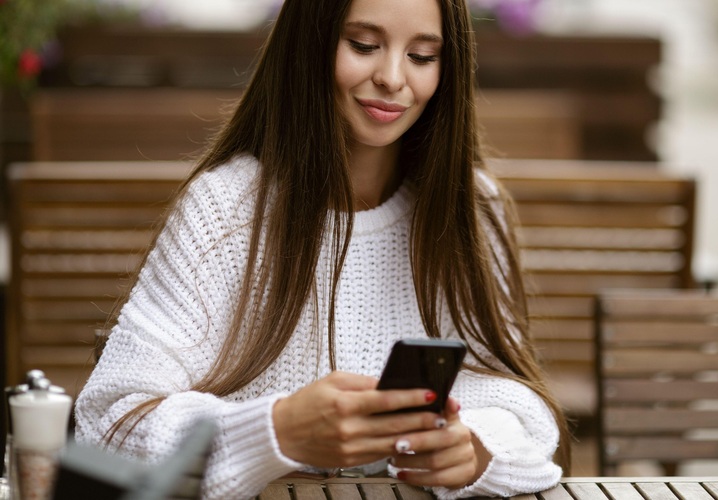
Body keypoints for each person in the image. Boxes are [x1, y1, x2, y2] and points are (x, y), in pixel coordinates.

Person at [74, 0, 571, 498]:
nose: (393, 77)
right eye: (363, 46)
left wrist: (475, 449)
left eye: (422, 56)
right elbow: (109, 422)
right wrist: (277, 430)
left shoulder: (470, 209)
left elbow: (523, 405)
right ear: (310, 41)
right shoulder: (223, 209)